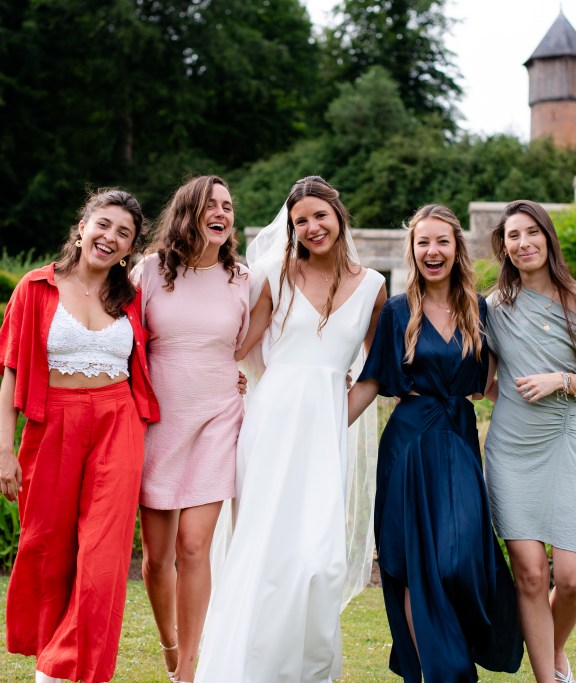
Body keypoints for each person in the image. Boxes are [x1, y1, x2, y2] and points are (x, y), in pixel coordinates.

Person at [196, 176, 386, 683]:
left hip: (326, 432)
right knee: (265, 550)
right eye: (301, 220)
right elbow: (238, 346)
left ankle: (307, 671)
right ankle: (248, 669)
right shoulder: (274, 275)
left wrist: (335, 419)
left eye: (320, 215)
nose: (312, 227)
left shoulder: (373, 286)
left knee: (320, 561)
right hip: (271, 425)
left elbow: (376, 372)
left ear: (339, 215)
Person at [346, 204, 523, 682]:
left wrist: (552, 392)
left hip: (459, 441)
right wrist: (319, 429)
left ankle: (454, 658)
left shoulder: (479, 310)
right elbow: (371, 381)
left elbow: (491, 384)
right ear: (413, 250)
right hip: (409, 446)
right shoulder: (397, 311)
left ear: (456, 248)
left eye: (442, 241)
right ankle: (436, 673)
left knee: (459, 559)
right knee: (413, 564)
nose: (432, 250)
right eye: (423, 242)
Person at [0, 188, 159, 683]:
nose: (110, 237)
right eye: (103, 224)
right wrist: (4, 450)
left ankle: (61, 669)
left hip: (117, 423)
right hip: (53, 425)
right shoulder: (35, 287)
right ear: (82, 227)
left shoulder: (132, 298)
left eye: (123, 233)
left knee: (104, 558)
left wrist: (232, 375)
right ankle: (53, 655)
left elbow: (173, 350)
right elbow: (12, 371)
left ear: (130, 249)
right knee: (46, 548)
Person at [482, 200, 576, 683]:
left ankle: (554, 652)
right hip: (510, 451)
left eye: (531, 232)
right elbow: (486, 382)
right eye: (513, 236)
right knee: (532, 574)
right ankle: (548, 678)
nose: (523, 243)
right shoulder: (493, 308)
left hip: (560, 443)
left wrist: (560, 380)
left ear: (547, 237)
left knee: (574, 579)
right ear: (504, 247)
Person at [134, 175, 250, 683]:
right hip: (159, 424)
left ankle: (187, 669)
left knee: (194, 546)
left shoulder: (243, 279)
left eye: (227, 205)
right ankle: (169, 641)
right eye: (210, 205)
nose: (221, 213)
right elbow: (125, 341)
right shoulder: (149, 272)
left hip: (218, 419)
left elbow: (258, 344)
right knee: (157, 558)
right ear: (188, 212)